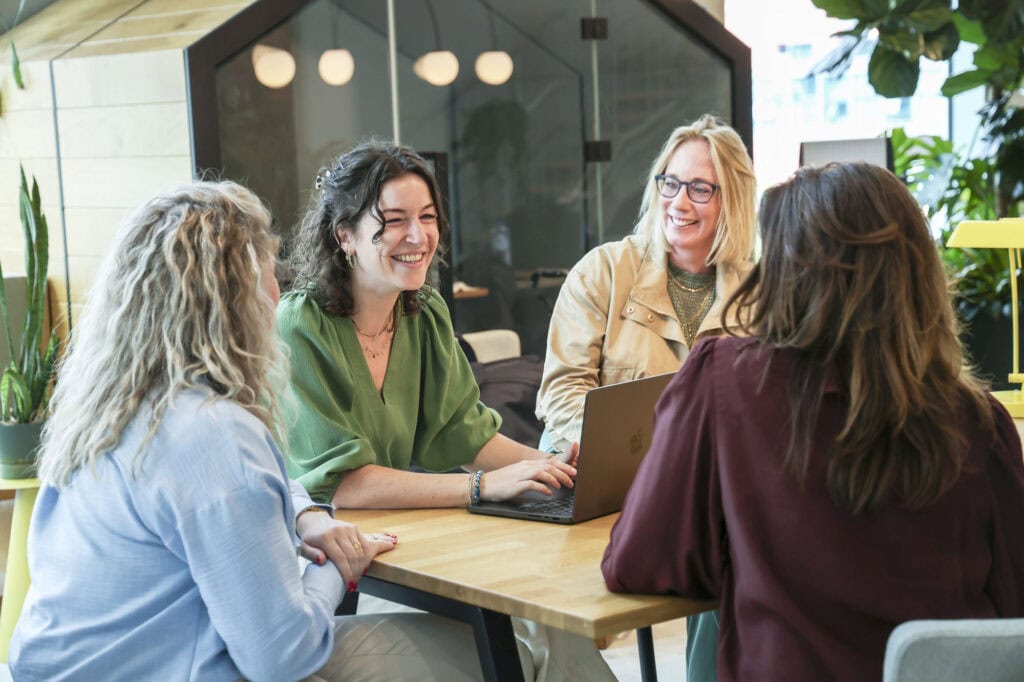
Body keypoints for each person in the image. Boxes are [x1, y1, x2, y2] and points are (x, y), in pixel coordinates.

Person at [10, 181, 487, 681]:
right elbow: (285, 656)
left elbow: (246, 488)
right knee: (485, 650)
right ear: (237, 299)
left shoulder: (110, 411)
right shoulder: (214, 433)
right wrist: (336, 566)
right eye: (269, 270)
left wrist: (305, 515)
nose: (278, 292)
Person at [602, 162, 1024, 682]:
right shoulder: (979, 421)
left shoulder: (726, 382)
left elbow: (640, 563)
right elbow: (1013, 607)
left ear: (785, 274)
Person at [278, 141, 615, 681]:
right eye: (394, 221)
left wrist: (561, 468)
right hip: (331, 562)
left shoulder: (423, 312)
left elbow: (466, 436)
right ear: (345, 236)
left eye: (428, 217)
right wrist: (482, 487)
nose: (418, 237)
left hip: (402, 539)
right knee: (512, 642)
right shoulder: (301, 323)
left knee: (554, 618)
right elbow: (343, 484)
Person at [536, 114, 757, 681]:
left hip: (710, 493)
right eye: (670, 182)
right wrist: (611, 450)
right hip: (610, 486)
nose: (679, 202)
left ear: (732, 199)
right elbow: (562, 391)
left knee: (739, 565)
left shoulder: (761, 291)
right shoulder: (605, 272)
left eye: (700, 188)